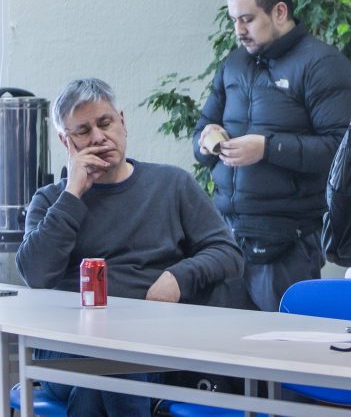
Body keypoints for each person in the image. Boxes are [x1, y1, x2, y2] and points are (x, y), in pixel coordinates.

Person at [17, 78, 244, 415]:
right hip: (69, 345)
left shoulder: (171, 184)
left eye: (105, 122)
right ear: (66, 141)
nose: (98, 137)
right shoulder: (51, 200)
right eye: (83, 131)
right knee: (113, 364)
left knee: (102, 379)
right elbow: (35, 274)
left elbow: (228, 254)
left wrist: (178, 277)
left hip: (152, 341)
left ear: (122, 122)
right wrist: (73, 193)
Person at [193, 0, 351, 311]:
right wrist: (208, 138)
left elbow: (344, 151)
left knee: (281, 342)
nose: (239, 31)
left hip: (288, 243)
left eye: (247, 19)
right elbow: (202, 132)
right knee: (220, 342)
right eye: (234, 20)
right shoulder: (233, 64)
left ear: (280, 12)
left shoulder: (323, 65)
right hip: (226, 238)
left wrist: (268, 148)